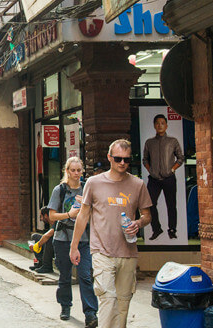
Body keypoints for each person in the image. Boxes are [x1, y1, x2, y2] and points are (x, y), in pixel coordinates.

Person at [70, 139, 153, 328]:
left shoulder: (138, 184)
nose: (122, 163)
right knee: (108, 299)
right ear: (109, 158)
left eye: (126, 159)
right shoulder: (93, 183)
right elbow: (83, 216)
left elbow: (147, 215)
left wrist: (138, 223)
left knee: (123, 303)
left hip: (128, 252)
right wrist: (74, 246)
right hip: (101, 251)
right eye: (118, 159)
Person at [47, 156, 97, 326]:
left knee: (85, 276)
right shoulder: (59, 190)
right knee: (65, 276)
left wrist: (85, 207)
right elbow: (52, 216)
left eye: (79, 170)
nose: (76, 174)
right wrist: (70, 214)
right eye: (73, 170)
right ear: (67, 171)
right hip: (62, 238)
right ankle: (65, 306)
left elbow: (96, 213)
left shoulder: (87, 189)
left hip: (83, 239)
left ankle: (90, 313)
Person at [143, 114, 185, 240]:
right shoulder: (149, 142)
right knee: (150, 204)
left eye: (162, 123)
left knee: (171, 205)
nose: (160, 125)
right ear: (154, 125)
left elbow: (181, 158)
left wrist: (172, 169)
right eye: (157, 123)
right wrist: (151, 170)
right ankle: (156, 228)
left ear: (166, 125)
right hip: (154, 179)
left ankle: (172, 229)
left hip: (169, 178)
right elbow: (145, 159)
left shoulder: (173, 141)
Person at [29, 207, 54, 272]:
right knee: (35, 236)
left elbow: (47, 236)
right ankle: (41, 262)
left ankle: (47, 266)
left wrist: (36, 246)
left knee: (48, 239)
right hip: (52, 246)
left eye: (41, 216)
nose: (41, 219)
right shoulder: (51, 223)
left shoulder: (56, 222)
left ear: (46, 215)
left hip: (58, 247)